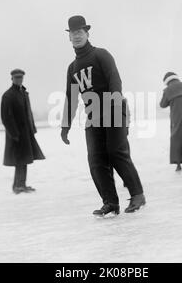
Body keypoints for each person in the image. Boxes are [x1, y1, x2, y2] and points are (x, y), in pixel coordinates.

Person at [61, 15, 146, 216]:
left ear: (87, 33)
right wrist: (65, 127)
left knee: (116, 152)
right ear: (69, 38)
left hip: (114, 109)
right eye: (73, 34)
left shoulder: (101, 55)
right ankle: (110, 202)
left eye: (80, 32)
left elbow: (115, 80)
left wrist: (115, 105)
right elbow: (71, 98)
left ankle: (138, 195)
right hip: (93, 116)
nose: (76, 36)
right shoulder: (72, 68)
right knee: (96, 160)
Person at [1, 69, 45, 194]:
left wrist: (33, 128)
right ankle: (17, 186)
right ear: (12, 79)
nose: (19, 79)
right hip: (16, 134)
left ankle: (22, 185)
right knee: (19, 160)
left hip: (26, 133)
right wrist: (14, 134)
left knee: (24, 159)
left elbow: (28, 113)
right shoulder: (8, 95)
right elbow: (6, 117)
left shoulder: (24, 93)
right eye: (17, 77)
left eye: (21, 77)